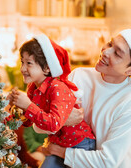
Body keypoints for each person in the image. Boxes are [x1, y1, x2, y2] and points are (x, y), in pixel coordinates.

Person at [43, 28, 131, 167]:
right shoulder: (78, 76)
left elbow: (107, 161)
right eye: (109, 44)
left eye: (117, 53)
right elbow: (39, 125)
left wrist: (61, 152)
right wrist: (61, 120)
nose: (105, 52)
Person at [7, 34, 96, 168]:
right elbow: (31, 120)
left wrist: (28, 105)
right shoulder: (33, 87)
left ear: (47, 68)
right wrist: (17, 107)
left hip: (80, 144)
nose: (23, 69)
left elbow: (53, 124)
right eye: (22, 62)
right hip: (59, 144)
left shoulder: (57, 88)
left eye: (29, 63)